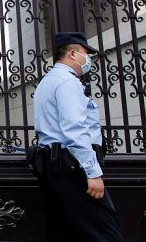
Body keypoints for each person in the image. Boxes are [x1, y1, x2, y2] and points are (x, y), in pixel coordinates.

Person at [30, 32, 124, 242]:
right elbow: (75, 129)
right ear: (72, 53)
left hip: (56, 167)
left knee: (66, 232)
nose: (88, 60)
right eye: (86, 54)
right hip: (73, 168)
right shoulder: (67, 82)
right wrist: (92, 172)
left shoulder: (49, 81)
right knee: (104, 232)